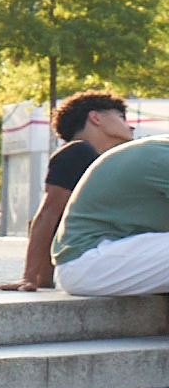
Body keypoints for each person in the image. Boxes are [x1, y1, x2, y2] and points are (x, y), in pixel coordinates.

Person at [9, 92, 141, 292]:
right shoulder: (76, 152)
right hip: (99, 260)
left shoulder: (99, 158)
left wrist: (44, 279)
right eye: (121, 117)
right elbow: (49, 214)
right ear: (96, 118)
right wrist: (30, 278)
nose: (130, 125)